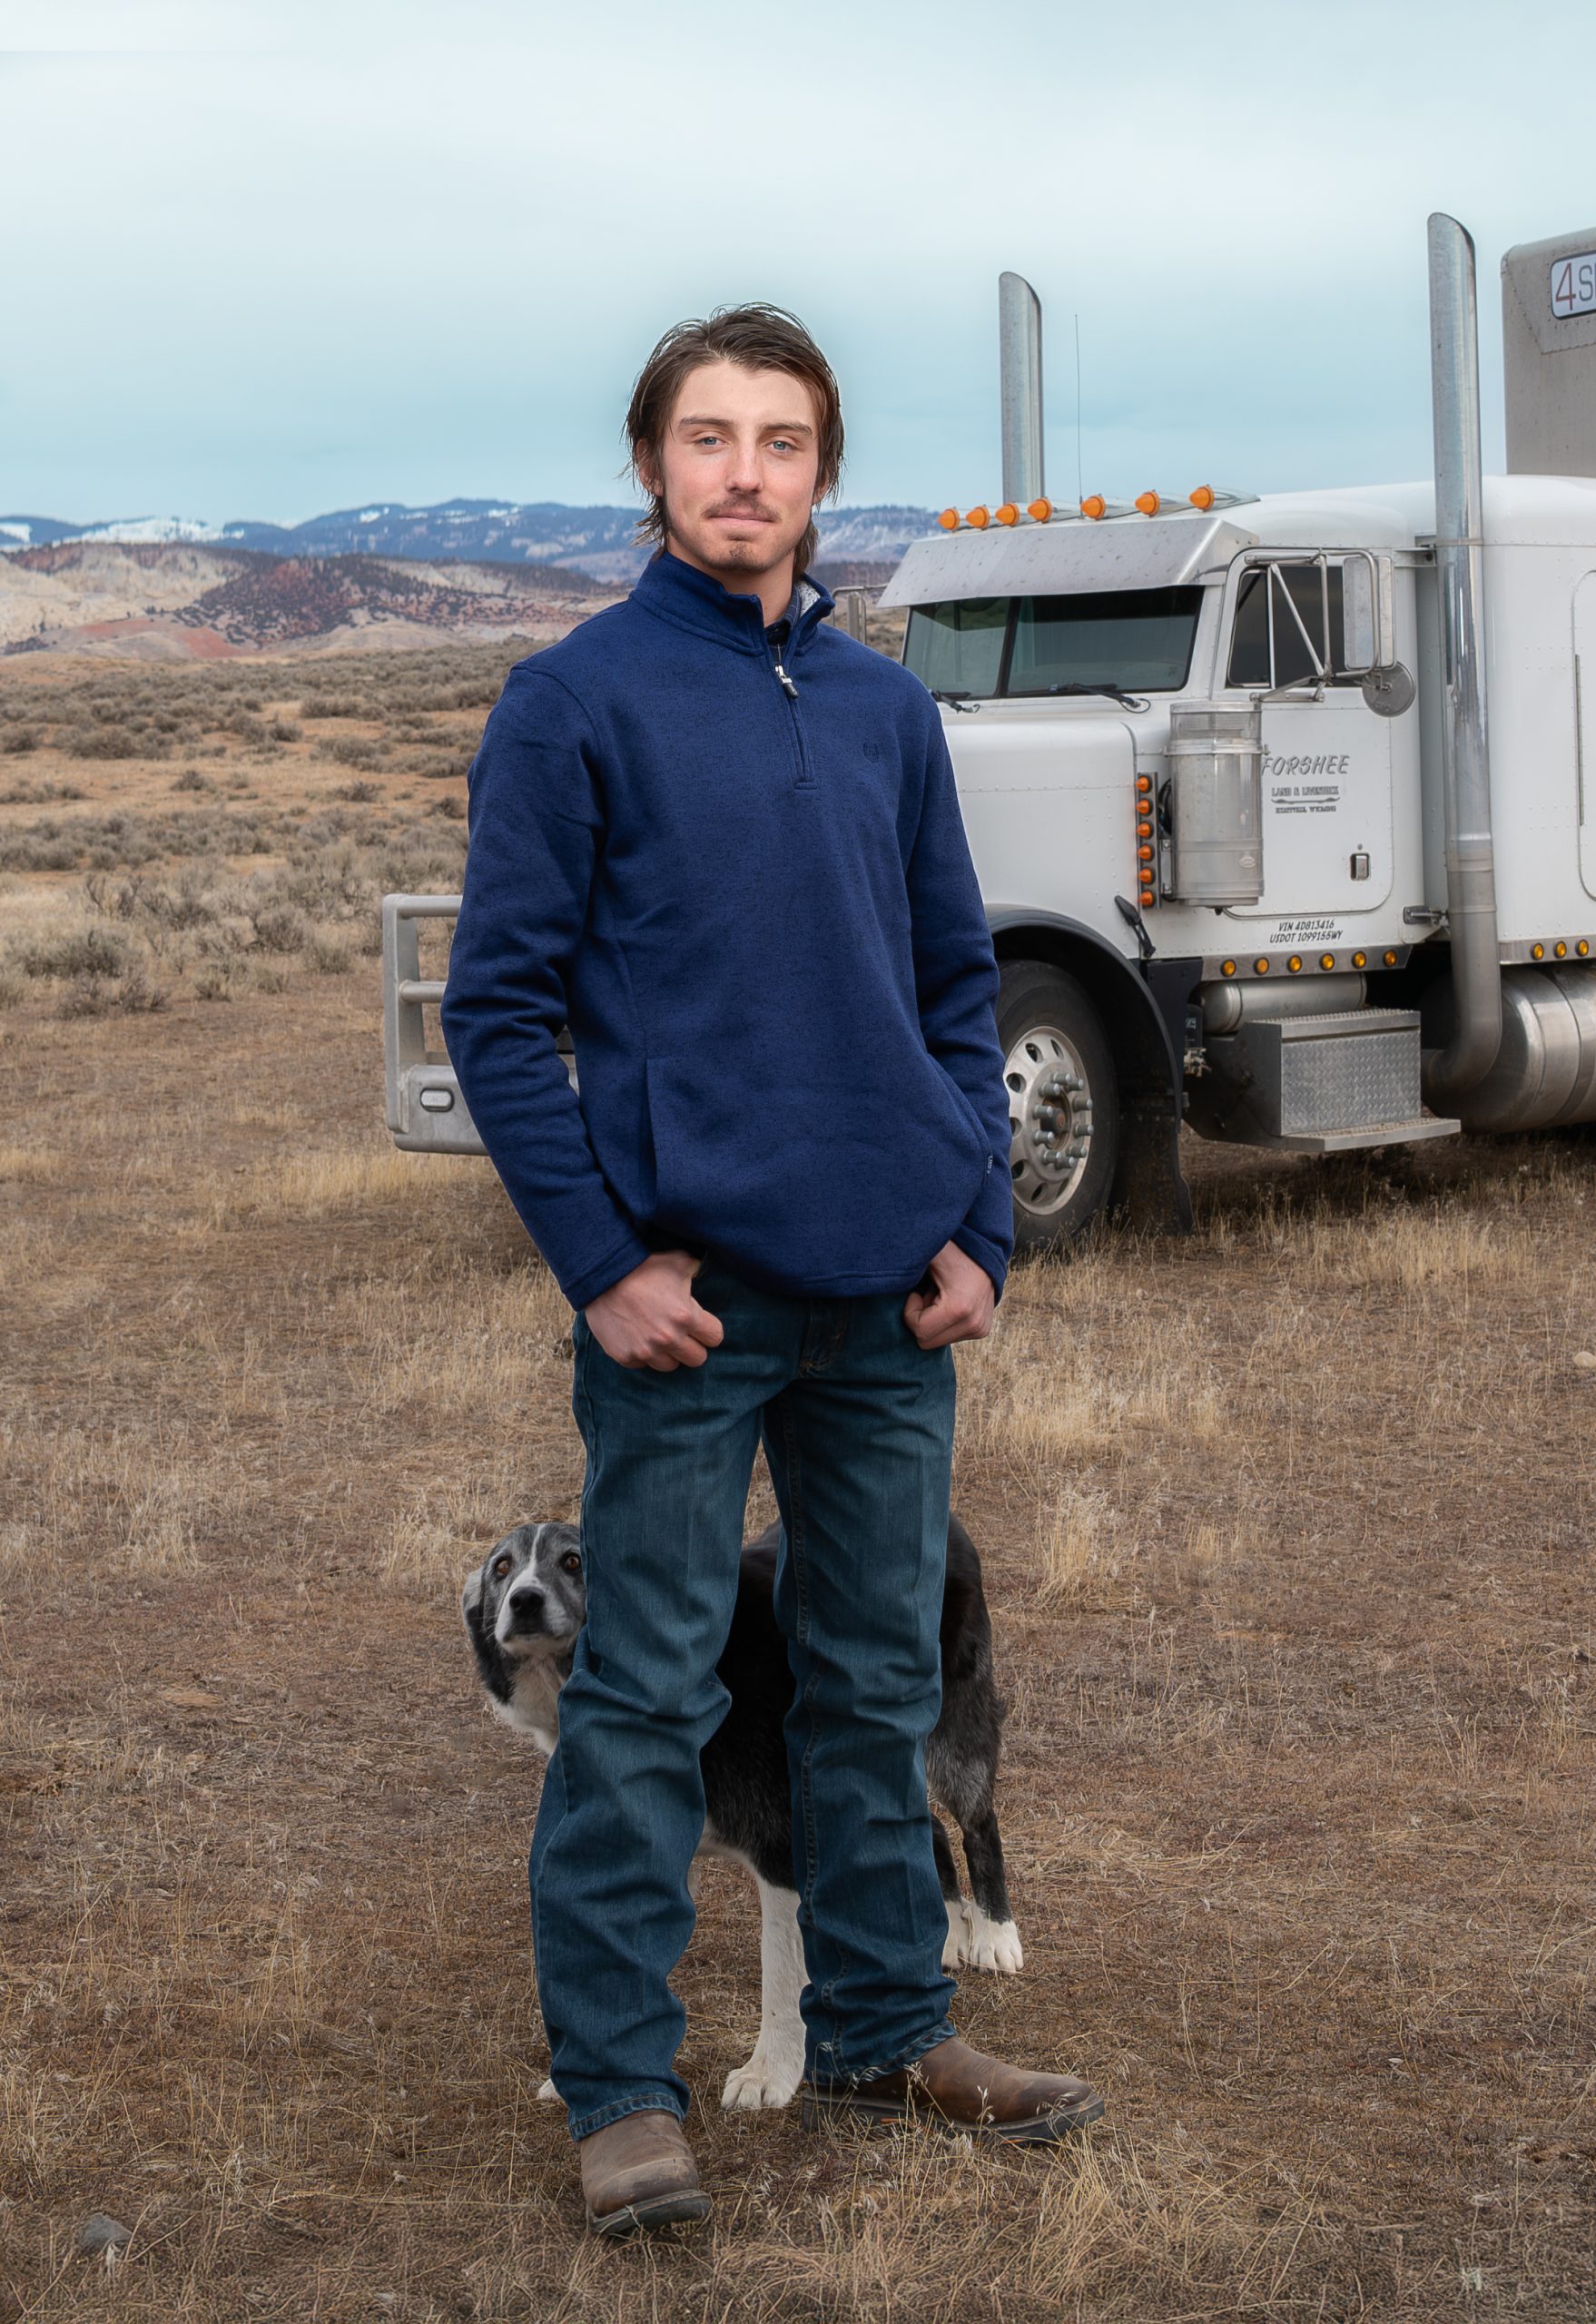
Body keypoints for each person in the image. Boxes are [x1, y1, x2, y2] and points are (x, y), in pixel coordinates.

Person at [441, 303, 1103, 2239]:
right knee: (643, 1693)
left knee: (876, 1673)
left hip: (890, 1300)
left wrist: (975, 1218)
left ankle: (897, 2022)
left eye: (784, 440)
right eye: (710, 437)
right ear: (654, 465)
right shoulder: (575, 703)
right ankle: (624, 2087)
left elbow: (954, 980)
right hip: (690, 1303)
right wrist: (599, 1260)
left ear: (824, 469)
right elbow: (498, 1011)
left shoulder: (890, 710)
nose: (747, 471)